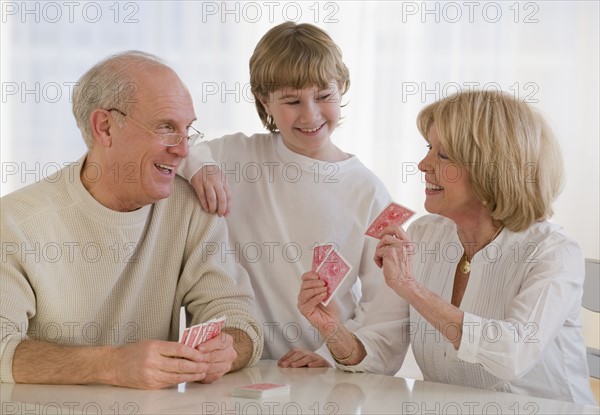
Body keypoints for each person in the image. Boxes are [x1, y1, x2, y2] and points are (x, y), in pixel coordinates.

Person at [297, 89, 597, 404]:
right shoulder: (425, 235)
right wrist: (334, 331)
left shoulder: (554, 253)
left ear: (491, 170)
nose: (423, 164)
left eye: (443, 155)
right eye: (429, 147)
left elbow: (513, 354)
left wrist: (411, 288)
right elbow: (382, 347)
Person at [0, 51, 263, 390]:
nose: (184, 150)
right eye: (166, 127)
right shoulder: (16, 221)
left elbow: (241, 321)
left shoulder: (191, 210)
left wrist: (228, 349)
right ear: (105, 127)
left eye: (188, 130)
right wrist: (111, 365)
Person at [178, 21, 392, 367]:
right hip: (236, 369)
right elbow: (180, 146)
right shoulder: (235, 157)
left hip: (323, 374)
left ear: (343, 87)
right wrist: (201, 166)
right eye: (292, 100)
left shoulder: (368, 191)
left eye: (324, 96)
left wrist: (330, 356)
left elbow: (383, 308)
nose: (310, 115)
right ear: (264, 99)